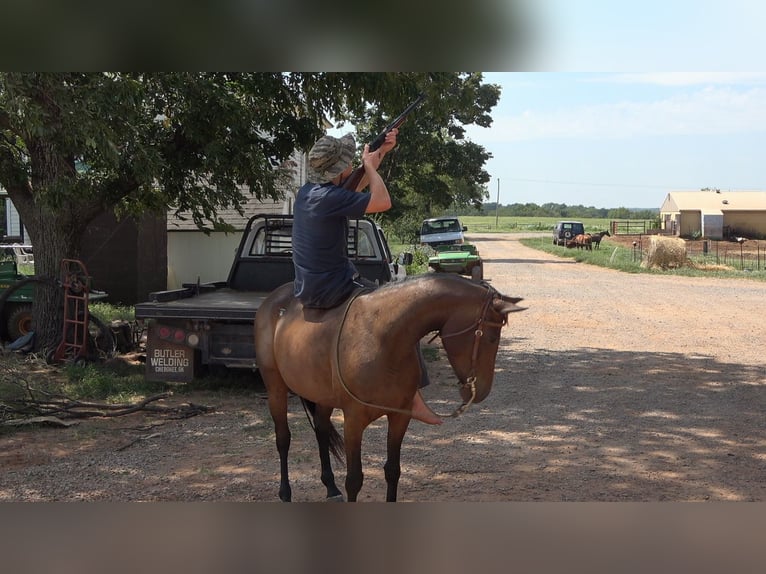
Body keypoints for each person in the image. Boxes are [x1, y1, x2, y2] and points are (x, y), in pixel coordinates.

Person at [292, 129, 442, 425]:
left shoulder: (310, 193)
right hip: (335, 288)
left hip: (311, 286)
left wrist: (381, 153)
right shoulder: (328, 197)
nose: (351, 165)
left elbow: (352, 186)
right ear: (338, 170)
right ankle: (414, 397)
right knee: (401, 316)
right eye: (347, 162)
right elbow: (382, 201)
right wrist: (371, 166)